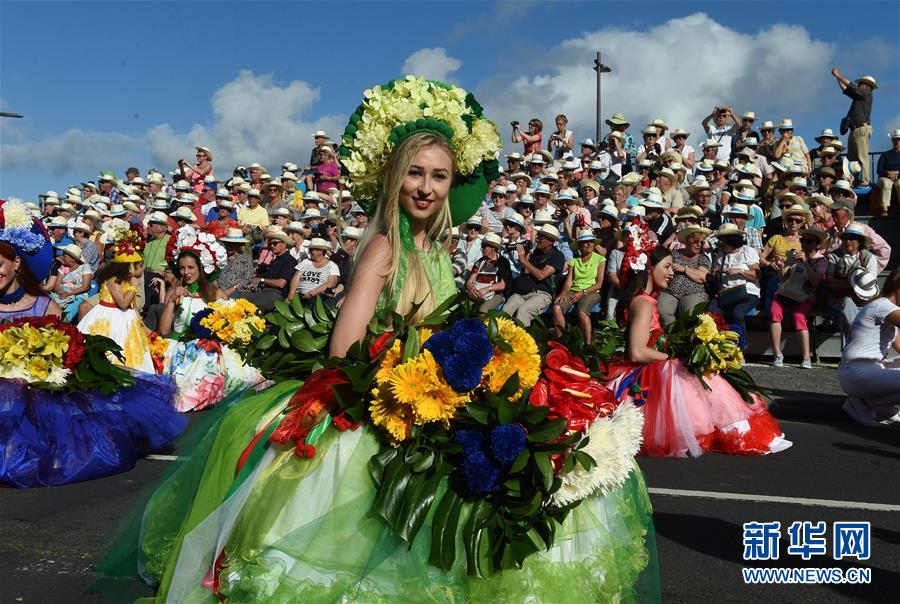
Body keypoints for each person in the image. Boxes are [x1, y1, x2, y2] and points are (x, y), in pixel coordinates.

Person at [101, 82, 657, 603]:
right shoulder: (384, 248)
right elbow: (344, 349)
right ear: (395, 179)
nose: (426, 187)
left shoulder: (436, 250)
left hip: (435, 390)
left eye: (439, 177)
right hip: (391, 397)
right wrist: (402, 383)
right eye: (415, 173)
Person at [0, 200, 186, 489]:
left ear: (17, 263)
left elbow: (61, 359)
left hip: (34, 398)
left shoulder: (45, 306)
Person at [605, 224, 790, 457]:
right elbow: (637, 352)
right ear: (649, 269)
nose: (671, 272)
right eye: (667, 267)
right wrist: (672, 356)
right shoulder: (643, 303)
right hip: (646, 370)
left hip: (650, 364)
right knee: (705, 383)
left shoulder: (643, 299)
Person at [157, 227, 261, 412]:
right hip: (179, 346)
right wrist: (172, 301)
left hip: (206, 350)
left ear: (202, 268)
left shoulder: (215, 293)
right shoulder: (175, 291)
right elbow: (164, 331)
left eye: (191, 268)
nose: (186, 272)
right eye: (182, 268)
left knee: (208, 359)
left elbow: (228, 324)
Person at [77, 233, 155, 373]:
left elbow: (132, 307)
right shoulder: (114, 280)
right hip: (109, 319)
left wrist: (145, 328)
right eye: (139, 266)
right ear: (130, 267)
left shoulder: (127, 281)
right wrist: (133, 286)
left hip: (127, 320)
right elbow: (123, 303)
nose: (142, 269)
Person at [838, 267, 900, 426]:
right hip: (856, 371)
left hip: (870, 369)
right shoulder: (882, 306)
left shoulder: (887, 310)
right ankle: (863, 404)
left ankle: (884, 406)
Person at [768, 227, 829, 368]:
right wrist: (782, 266)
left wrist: (806, 263)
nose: (805, 244)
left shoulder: (821, 261)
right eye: (803, 240)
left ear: (817, 244)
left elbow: (815, 282)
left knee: (798, 315)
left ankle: (806, 357)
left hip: (806, 296)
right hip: (787, 292)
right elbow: (783, 278)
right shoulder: (793, 256)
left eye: (809, 241)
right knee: (774, 311)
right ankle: (777, 354)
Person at [825, 222, 880, 346]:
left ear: (860, 241)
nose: (848, 241)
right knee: (847, 303)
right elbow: (830, 282)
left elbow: (870, 283)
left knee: (853, 309)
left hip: (863, 299)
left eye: (852, 238)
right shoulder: (834, 256)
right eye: (845, 238)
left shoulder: (869, 257)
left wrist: (843, 283)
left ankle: (848, 348)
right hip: (837, 297)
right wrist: (854, 284)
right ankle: (860, 337)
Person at [503, 224, 566, 326]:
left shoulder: (557, 255)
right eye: (537, 236)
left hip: (543, 293)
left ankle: (520, 340)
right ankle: (499, 339)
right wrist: (527, 256)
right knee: (506, 309)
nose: (537, 239)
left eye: (541, 237)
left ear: (551, 241)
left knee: (523, 312)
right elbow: (526, 272)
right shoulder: (536, 252)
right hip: (526, 290)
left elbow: (541, 275)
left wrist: (524, 260)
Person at [708, 223, 761, 344]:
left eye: (722, 240)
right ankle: (714, 344)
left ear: (730, 239)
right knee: (711, 312)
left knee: (737, 312)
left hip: (747, 293)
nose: (719, 242)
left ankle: (741, 346)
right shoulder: (721, 254)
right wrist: (715, 273)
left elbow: (757, 275)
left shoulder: (748, 251)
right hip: (727, 293)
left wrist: (739, 271)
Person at [553, 230, 605, 344]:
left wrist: (582, 292)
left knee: (581, 311)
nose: (589, 244)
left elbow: (599, 284)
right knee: (557, 307)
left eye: (591, 242)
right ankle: (560, 341)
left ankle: (588, 343)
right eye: (585, 242)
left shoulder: (600, 259)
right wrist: (563, 293)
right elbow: (568, 282)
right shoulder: (574, 261)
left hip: (592, 291)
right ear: (580, 246)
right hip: (574, 290)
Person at [657, 226, 711, 325]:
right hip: (670, 291)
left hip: (694, 292)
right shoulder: (673, 254)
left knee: (689, 314)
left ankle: (684, 337)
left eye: (701, 242)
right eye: (696, 241)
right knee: (662, 311)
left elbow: (703, 277)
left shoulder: (703, 258)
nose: (699, 245)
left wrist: (684, 269)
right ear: (686, 241)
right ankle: (671, 336)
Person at [832, 69, 877, 187]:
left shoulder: (867, 93)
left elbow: (849, 84)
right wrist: (837, 78)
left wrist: (838, 75)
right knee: (852, 159)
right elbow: (846, 89)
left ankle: (865, 180)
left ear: (868, 86)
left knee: (862, 156)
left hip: (861, 128)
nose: (859, 85)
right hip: (855, 130)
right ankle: (854, 180)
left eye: (862, 83)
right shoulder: (859, 96)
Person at [235, 227, 297, 312]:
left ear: (284, 245)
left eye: (275, 243)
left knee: (249, 307)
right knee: (237, 298)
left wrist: (261, 280)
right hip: (266, 292)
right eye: (271, 243)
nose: (271, 246)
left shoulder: (289, 260)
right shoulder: (276, 259)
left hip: (277, 295)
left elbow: (281, 283)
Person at [465, 232, 510, 314]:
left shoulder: (502, 262)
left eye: (484, 246)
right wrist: (470, 287)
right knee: (464, 308)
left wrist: (487, 289)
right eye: (481, 246)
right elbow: (470, 280)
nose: (481, 249)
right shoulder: (480, 262)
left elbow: (502, 285)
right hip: (476, 295)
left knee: (483, 310)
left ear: (493, 248)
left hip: (495, 295)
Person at [287, 237, 340, 305]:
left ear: (320, 251)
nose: (309, 252)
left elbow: (331, 283)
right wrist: (291, 294)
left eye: (311, 250)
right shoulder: (305, 262)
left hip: (317, 297)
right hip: (299, 295)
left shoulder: (332, 266)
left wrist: (312, 293)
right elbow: (296, 278)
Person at [48, 243, 93, 322]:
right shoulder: (64, 267)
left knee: (64, 315)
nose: (62, 256)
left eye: (65, 255)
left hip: (77, 295)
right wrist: (60, 292)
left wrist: (69, 294)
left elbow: (85, 286)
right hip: (62, 294)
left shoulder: (85, 267)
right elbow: (57, 284)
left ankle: (62, 325)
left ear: (73, 259)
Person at [216, 229, 256, 298]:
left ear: (239, 245)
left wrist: (232, 289)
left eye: (232, 244)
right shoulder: (221, 257)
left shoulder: (246, 259)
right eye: (227, 244)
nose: (228, 247)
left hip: (237, 291)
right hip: (220, 290)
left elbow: (247, 278)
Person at [874, 129, 900, 215]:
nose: (897, 141)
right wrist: (888, 173)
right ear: (892, 141)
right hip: (885, 177)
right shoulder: (885, 155)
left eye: (899, 139)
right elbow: (879, 170)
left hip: (898, 177)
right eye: (896, 139)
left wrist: (897, 174)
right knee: (886, 183)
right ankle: (884, 209)